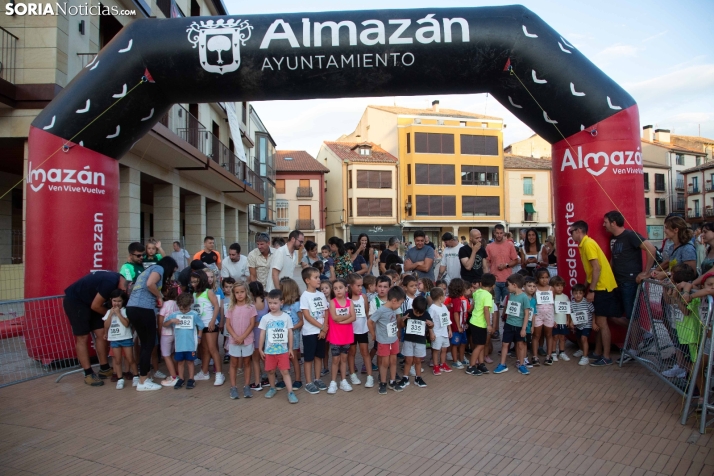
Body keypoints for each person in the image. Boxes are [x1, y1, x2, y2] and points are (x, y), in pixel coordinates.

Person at [569, 220, 620, 367]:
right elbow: (590, 271)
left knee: (602, 323)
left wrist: (590, 290)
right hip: (599, 286)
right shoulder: (584, 244)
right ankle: (598, 352)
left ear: (579, 231)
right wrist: (585, 288)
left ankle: (606, 356)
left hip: (602, 287)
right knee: (599, 322)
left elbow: (596, 268)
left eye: (571, 231)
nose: (570, 235)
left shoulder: (588, 244)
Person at [64, 271, 127, 386]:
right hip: (76, 301)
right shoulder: (110, 282)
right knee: (82, 337)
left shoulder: (117, 280)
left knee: (101, 332)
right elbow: (96, 306)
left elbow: (95, 305)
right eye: (124, 291)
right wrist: (112, 316)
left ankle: (104, 368)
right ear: (123, 286)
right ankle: (88, 373)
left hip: (90, 301)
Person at [126, 257, 178, 390]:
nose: (171, 274)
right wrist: (159, 296)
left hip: (133, 307)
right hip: (143, 309)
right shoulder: (158, 268)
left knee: (145, 344)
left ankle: (145, 376)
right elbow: (150, 284)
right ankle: (143, 380)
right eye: (172, 271)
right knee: (148, 344)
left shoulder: (147, 270)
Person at [603, 211, 656, 326]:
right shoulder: (613, 238)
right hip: (617, 282)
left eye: (605, 222)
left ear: (613, 223)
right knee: (612, 315)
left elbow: (651, 249)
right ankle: (642, 335)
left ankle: (638, 340)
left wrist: (646, 272)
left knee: (632, 317)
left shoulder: (631, 235)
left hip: (630, 282)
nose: (604, 225)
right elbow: (613, 258)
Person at [258, 289, 298, 404]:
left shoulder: (286, 317)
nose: (272, 305)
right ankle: (272, 388)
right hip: (269, 351)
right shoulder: (266, 318)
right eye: (270, 303)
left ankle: (290, 392)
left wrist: (290, 348)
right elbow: (262, 333)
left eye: (275, 303)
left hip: (283, 350)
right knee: (270, 371)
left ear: (281, 302)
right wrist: (260, 348)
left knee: (285, 371)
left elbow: (290, 333)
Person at [368, 285, 407, 395]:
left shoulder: (393, 309)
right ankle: (383, 382)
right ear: (394, 300)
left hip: (393, 339)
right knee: (384, 363)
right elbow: (370, 322)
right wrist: (373, 334)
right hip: (383, 341)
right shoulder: (381, 310)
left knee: (393, 361)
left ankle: (392, 381)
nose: (400, 306)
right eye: (400, 303)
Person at [190, 269, 225, 385]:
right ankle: (204, 372)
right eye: (192, 282)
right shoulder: (194, 294)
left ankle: (219, 374)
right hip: (200, 326)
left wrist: (213, 321)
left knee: (212, 349)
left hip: (210, 324)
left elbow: (216, 306)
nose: (193, 284)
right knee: (204, 350)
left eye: (195, 281)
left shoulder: (208, 292)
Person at [224, 280, 257, 399]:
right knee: (234, 363)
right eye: (237, 292)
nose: (240, 294)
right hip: (234, 340)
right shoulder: (231, 307)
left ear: (246, 292)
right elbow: (228, 324)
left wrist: (243, 337)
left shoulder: (251, 307)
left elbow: (252, 324)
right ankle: (233, 387)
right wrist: (235, 337)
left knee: (247, 362)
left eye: (242, 292)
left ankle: (246, 386)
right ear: (234, 294)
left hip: (247, 339)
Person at [486, 224, 519, 339]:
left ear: (504, 233)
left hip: (507, 281)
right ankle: (495, 330)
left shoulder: (510, 245)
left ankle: (507, 330)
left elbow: (516, 260)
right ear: (494, 233)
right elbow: (487, 262)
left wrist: (506, 265)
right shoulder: (489, 247)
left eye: (501, 233)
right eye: (497, 233)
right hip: (494, 281)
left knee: (509, 307)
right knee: (494, 307)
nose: (499, 235)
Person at [163, 293, 202, 389]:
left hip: (190, 344)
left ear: (190, 305)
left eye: (186, 309)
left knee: (190, 361)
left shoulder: (194, 314)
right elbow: (164, 324)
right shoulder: (175, 314)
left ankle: (191, 379)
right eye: (181, 309)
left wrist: (199, 337)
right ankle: (181, 378)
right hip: (179, 344)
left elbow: (201, 326)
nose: (183, 311)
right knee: (180, 362)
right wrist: (172, 321)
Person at [300, 267, 329, 395]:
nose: (319, 280)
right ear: (307, 280)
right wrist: (321, 326)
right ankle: (308, 382)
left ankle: (317, 379)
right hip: (309, 332)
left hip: (321, 332)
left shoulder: (321, 294)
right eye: (315, 277)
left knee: (319, 356)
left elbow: (326, 311)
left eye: (319, 277)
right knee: (308, 358)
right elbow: (307, 315)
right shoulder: (305, 296)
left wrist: (325, 327)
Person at [494, 274, 531, 375]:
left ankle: (521, 364)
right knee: (505, 344)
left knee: (520, 345)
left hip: (519, 325)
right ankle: (502, 364)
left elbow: (527, 313)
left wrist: (524, 328)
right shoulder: (510, 295)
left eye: (509, 285)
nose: (507, 287)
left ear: (514, 285)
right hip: (509, 324)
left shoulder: (524, 297)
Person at [327, 278, 356, 394]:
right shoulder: (332, 302)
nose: (338, 290)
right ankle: (333, 382)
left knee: (344, 358)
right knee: (335, 359)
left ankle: (343, 381)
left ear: (346, 289)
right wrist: (347, 317)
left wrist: (342, 321)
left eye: (340, 288)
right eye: (335, 288)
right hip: (335, 336)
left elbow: (353, 317)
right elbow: (334, 317)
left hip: (346, 335)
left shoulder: (350, 302)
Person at [102, 289, 136, 390]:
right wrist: (105, 332)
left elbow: (126, 324)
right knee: (117, 360)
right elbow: (106, 325)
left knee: (130, 358)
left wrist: (118, 314)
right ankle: (120, 378)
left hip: (125, 338)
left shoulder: (125, 310)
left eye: (119, 301)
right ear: (111, 300)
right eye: (114, 301)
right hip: (114, 339)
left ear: (123, 301)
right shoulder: (109, 311)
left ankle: (136, 376)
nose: (116, 303)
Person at [466, 273, 495, 376]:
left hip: (474, 321)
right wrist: (489, 325)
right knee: (479, 346)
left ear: (481, 283)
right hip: (480, 323)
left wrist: (469, 311)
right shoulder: (488, 295)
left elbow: (472, 305)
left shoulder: (477, 292)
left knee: (480, 345)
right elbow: (486, 310)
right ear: (493, 286)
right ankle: (471, 366)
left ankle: (481, 364)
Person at [400, 295, 432, 388]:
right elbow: (402, 325)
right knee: (408, 360)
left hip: (420, 341)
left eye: (420, 313)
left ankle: (418, 378)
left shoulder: (426, 314)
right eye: (416, 312)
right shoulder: (408, 313)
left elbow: (431, 325)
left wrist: (431, 324)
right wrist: (403, 319)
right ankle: (405, 378)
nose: (418, 314)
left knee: (418, 360)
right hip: (409, 340)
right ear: (413, 307)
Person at [347, 273, 373, 387]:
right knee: (351, 352)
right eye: (357, 285)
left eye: (361, 285)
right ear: (350, 286)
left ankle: (370, 376)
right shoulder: (346, 299)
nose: (360, 288)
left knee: (365, 352)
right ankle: (352, 374)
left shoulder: (364, 297)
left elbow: (366, 312)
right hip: (350, 330)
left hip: (362, 330)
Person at [279, 277, 303, 390]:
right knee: (283, 357)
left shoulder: (296, 305)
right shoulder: (281, 304)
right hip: (282, 335)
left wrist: (291, 328)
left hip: (293, 334)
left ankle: (298, 379)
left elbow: (301, 321)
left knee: (293, 357)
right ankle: (285, 378)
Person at [157, 283, 180, 387]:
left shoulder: (165, 304)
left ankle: (173, 377)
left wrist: (159, 331)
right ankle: (177, 373)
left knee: (166, 355)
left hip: (166, 333)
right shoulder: (178, 305)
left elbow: (161, 319)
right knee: (173, 354)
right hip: (176, 333)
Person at [532, 268, 555, 366]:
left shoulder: (551, 289)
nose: (544, 280)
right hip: (537, 315)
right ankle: (534, 356)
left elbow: (553, 302)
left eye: (546, 277)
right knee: (536, 335)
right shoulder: (534, 288)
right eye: (542, 277)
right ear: (537, 278)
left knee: (549, 335)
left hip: (549, 314)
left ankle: (549, 355)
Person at [445, 278, 469, 369]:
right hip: (456, 327)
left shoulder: (458, 299)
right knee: (455, 344)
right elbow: (456, 313)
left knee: (463, 343)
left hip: (462, 326)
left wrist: (464, 323)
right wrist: (459, 326)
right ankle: (455, 361)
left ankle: (462, 358)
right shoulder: (456, 300)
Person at [428, 286, 452, 375]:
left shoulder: (444, 307)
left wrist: (449, 329)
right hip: (437, 333)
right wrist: (431, 332)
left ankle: (443, 364)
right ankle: (436, 365)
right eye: (444, 295)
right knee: (436, 350)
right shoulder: (432, 308)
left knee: (444, 349)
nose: (445, 297)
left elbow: (447, 319)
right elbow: (429, 322)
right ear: (440, 297)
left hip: (444, 332)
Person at [569, 283, 594, 366]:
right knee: (578, 338)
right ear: (573, 293)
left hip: (587, 324)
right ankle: (581, 349)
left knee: (584, 338)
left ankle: (585, 357)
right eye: (576, 293)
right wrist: (571, 322)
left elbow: (593, 312)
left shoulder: (587, 302)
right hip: (578, 324)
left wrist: (594, 323)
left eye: (580, 293)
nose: (578, 295)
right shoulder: (572, 303)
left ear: (583, 294)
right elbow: (571, 313)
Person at [550, 275, 571, 362]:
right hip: (555, 321)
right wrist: (552, 320)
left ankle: (562, 352)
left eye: (561, 286)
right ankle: (553, 353)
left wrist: (568, 320)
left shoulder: (565, 297)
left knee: (562, 338)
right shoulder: (551, 297)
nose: (560, 288)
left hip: (563, 321)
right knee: (555, 337)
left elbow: (568, 310)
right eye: (557, 286)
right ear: (552, 286)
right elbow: (550, 310)